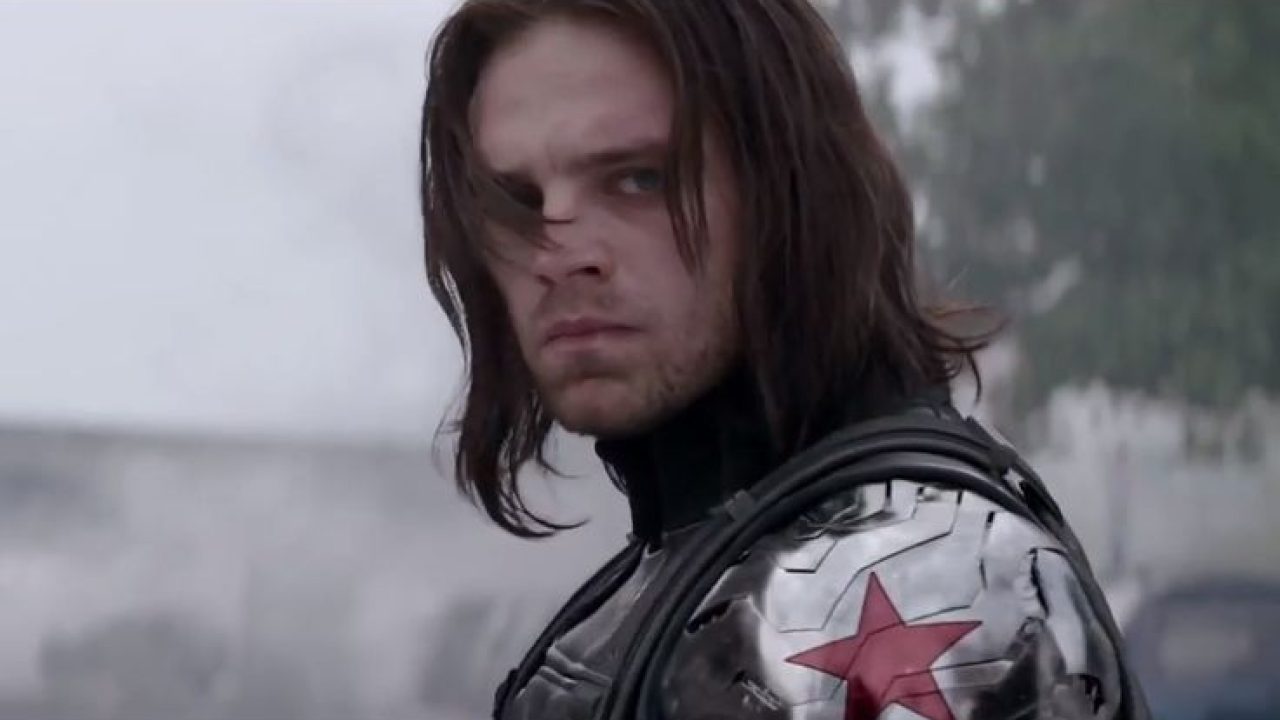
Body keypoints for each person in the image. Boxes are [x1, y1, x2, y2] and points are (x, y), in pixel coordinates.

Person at [420, 1, 1149, 718]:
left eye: (640, 179)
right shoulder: (676, 569)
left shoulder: (916, 581)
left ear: (785, 190)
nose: (555, 255)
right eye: (517, 201)